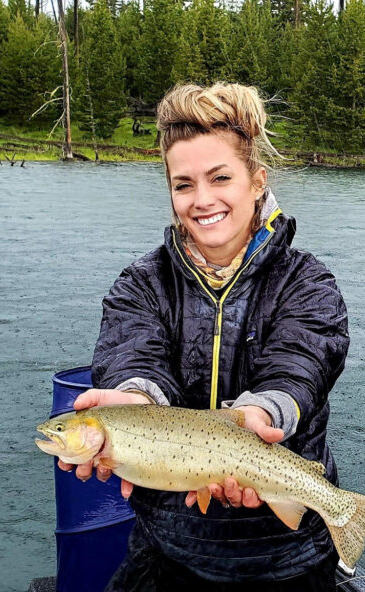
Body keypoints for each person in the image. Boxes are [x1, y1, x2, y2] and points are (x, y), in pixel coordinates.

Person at [60, 82, 350, 591]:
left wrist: (260, 415)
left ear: (257, 182)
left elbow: (301, 363)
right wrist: (135, 396)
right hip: (171, 549)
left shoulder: (308, 283)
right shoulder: (140, 284)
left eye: (220, 178)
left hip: (287, 558)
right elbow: (133, 357)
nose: (202, 200)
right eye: (183, 184)